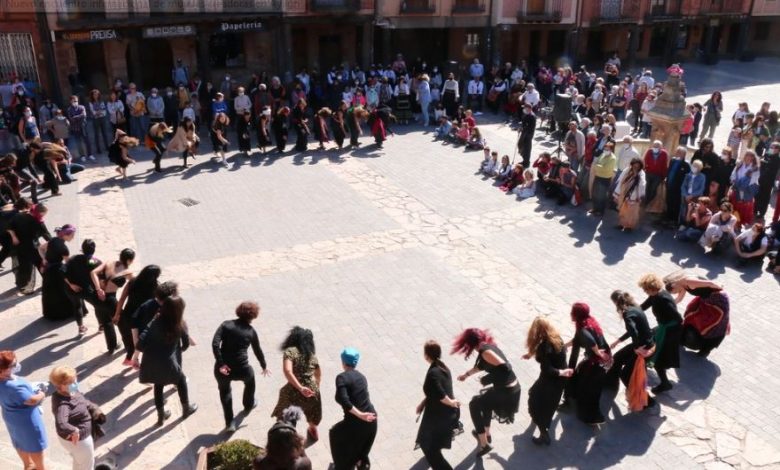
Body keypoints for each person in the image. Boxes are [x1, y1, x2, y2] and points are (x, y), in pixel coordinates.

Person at [453, 328, 521, 457]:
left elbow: (506, 367)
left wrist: (487, 379)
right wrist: (466, 375)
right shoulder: (486, 347)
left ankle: (484, 444)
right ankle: (486, 434)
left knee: (474, 404)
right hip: (509, 388)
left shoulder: (485, 352)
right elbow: (481, 366)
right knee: (485, 403)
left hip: (507, 391)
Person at [137, 295, 198, 426]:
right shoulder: (180, 324)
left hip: (151, 362)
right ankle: (186, 409)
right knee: (181, 381)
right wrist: (176, 351)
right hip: (169, 363)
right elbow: (186, 344)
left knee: (158, 385)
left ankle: (161, 417)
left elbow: (140, 345)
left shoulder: (155, 322)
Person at [212, 301, 270, 432]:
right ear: (253, 316)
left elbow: (215, 345)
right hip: (242, 368)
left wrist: (221, 364)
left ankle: (230, 423)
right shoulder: (251, 332)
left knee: (225, 392)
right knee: (250, 381)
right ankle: (249, 404)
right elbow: (257, 350)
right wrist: (263, 366)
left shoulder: (226, 325)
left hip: (223, 369)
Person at [522, 317, 571, 446]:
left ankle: (544, 435)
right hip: (560, 380)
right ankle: (541, 422)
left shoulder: (544, 347)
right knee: (547, 403)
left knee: (536, 404)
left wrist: (561, 372)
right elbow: (552, 357)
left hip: (550, 379)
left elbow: (547, 369)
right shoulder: (557, 338)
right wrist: (531, 354)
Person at [606, 291, 656, 410]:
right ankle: (610, 384)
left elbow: (633, 330)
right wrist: (619, 340)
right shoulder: (635, 308)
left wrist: (637, 348)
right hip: (646, 343)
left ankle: (647, 401)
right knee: (617, 357)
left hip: (643, 348)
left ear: (616, 303)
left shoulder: (627, 313)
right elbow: (633, 330)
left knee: (626, 375)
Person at [271, 326, 322, 443]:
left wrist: (300, 387)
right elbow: (318, 374)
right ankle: (313, 429)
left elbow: (287, 371)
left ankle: (287, 436)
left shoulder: (290, 352)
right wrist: (316, 387)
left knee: (286, 416)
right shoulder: (312, 356)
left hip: (293, 392)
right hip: (312, 390)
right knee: (313, 412)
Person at [329, 348, 377, 470]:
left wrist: (360, 414)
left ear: (343, 362)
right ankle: (361, 464)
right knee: (361, 452)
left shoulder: (341, 378)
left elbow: (344, 400)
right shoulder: (361, 376)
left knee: (334, 434)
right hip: (372, 421)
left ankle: (340, 466)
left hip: (357, 422)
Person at [415, 340, 460, 470]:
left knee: (427, 445)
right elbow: (434, 392)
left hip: (440, 416)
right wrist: (423, 403)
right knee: (431, 443)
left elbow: (441, 394)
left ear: (426, 355)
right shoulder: (443, 366)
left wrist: (451, 402)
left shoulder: (433, 374)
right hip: (442, 413)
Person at [563, 302, 611, 426]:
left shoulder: (583, 329)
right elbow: (577, 339)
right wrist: (565, 346)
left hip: (596, 363)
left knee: (587, 388)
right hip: (603, 361)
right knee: (589, 384)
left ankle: (592, 418)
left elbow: (589, 340)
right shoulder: (590, 321)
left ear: (576, 315)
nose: (570, 314)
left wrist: (597, 353)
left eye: (572, 312)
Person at [0, 350, 48, 470]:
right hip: (27, 421)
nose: (17, 366)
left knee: (19, 442)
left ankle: (28, 465)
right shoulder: (13, 387)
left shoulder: (6, 380)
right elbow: (31, 400)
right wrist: (42, 394)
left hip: (11, 417)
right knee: (35, 446)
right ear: (2, 370)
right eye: (13, 365)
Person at [664, 272, 729, 358]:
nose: (676, 293)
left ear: (674, 284)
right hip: (706, 299)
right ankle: (682, 339)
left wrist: (720, 287)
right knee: (691, 316)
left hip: (717, 300)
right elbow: (679, 299)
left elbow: (710, 283)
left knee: (711, 324)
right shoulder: (682, 284)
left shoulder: (689, 281)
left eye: (674, 291)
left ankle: (706, 349)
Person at [50, 365, 103, 470]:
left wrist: (93, 408)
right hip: (79, 441)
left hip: (78, 441)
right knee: (87, 466)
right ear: (60, 386)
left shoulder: (71, 391)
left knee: (79, 463)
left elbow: (81, 400)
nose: (75, 384)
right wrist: (74, 430)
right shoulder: (63, 405)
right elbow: (62, 423)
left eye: (75, 380)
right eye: (70, 383)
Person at [638, 273, 683, 394]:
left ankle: (665, 383)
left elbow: (678, 318)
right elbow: (644, 305)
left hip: (669, 331)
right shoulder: (655, 295)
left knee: (658, 358)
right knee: (654, 352)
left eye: (645, 289)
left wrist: (668, 330)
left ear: (652, 288)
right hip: (664, 328)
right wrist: (633, 312)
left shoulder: (663, 299)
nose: (644, 291)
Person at [113, 265, 162, 367]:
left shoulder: (132, 282)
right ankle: (136, 360)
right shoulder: (156, 286)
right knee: (141, 339)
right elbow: (159, 302)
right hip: (144, 318)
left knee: (129, 338)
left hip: (128, 315)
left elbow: (122, 299)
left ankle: (129, 358)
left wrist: (117, 315)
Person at [90, 247, 134, 353]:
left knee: (106, 323)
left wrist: (98, 289)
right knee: (123, 324)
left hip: (98, 297)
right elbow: (135, 283)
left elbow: (93, 272)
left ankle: (111, 347)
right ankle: (129, 347)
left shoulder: (109, 262)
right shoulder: (126, 271)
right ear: (129, 260)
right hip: (110, 299)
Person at [6, 199, 51, 294]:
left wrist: (14, 237)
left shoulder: (19, 216)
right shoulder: (39, 222)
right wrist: (55, 243)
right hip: (33, 247)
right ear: (41, 212)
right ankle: (47, 284)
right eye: (44, 213)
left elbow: (9, 227)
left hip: (20, 246)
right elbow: (47, 235)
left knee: (24, 267)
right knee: (40, 264)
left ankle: (24, 286)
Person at [41, 224, 76, 322]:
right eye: (72, 235)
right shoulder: (64, 248)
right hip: (57, 271)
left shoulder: (53, 240)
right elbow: (68, 263)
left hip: (48, 270)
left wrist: (44, 259)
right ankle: (65, 312)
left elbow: (41, 248)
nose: (73, 238)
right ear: (65, 235)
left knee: (51, 293)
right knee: (63, 292)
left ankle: (51, 313)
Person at [730, 150, 761, 230]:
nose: (748, 158)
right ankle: (733, 223)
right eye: (747, 155)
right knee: (734, 208)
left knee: (742, 210)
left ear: (753, 158)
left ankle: (739, 225)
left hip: (746, 192)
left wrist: (741, 185)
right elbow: (733, 174)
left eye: (750, 156)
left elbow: (753, 181)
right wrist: (733, 180)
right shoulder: (740, 164)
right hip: (736, 189)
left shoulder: (755, 169)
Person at [613, 157, 646, 230]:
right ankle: (621, 224)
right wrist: (616, 194)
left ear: (640, 166)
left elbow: (642, 185)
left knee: (631, 212)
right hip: (624, 194)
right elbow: (620, 181)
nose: (636, 168)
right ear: (632, 164)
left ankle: (629, 226)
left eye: (638, 166)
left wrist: (636, 176)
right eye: (634, 166)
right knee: (622, 210)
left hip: (634, 196)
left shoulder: (641, 174)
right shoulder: (627, 170)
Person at [590, 141, 617, 216]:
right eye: (605, 149)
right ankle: (595, 208)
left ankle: (600, 211)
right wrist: (599, 166)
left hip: (605, 179)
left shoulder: (613, 158)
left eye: (607, 149)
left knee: (602, 195)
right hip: (598, 176)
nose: (605, 150)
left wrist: (597, 166)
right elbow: (598, 163)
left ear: (611, 150)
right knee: (595, 193)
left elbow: (605, 168)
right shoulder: (602, 154)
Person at [679, 160, 707, 227]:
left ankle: (689, 225)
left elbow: (701, 189)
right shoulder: (688, 175)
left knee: (692, 211)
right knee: (683, 210)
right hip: (685, 196)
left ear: (700, 168)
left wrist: (692, 195)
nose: (694, 167)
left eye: (696, 166)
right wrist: (686, 195)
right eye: (693, 165)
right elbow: (683, 186)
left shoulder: (702, 177)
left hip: (695, 197)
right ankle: (682, 224)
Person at [756, 141, 780, 219]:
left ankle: (762, 212)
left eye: (773, 147)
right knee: (758, 195)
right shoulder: (767, 154)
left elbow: (771, 167)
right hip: (761, 178)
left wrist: (764, 162)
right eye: (771, 147)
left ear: (777, 150)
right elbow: (761, 163)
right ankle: (755, 209)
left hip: (769, 181)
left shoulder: (777, 159)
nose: (771, 148)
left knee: (765, 197)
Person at [643, 140, 669, 209]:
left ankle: (647, 201)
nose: (655, 147)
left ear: (661, 147)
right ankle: (644, 202)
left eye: (657, 146)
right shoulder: (649, 151)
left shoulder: (664, 154)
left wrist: (664, 177)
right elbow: (645, 161)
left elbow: (664, 165)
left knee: (653, 189)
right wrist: (644, 170)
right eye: (654, 146)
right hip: (648, 173)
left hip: (658, 175)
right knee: (646, 187)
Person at [517, 104, 536, 168]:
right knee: (520, 145)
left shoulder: (532, 116)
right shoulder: (526, 114)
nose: (524, 109)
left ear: (529, 108)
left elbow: (530, 127)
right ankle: (524, 159)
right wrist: (521, 127)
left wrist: (523, 128)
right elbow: (523, 123)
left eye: (525, 108)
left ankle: (526, 162)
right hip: (524, 133)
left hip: (528, 134)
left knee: (526, 149)